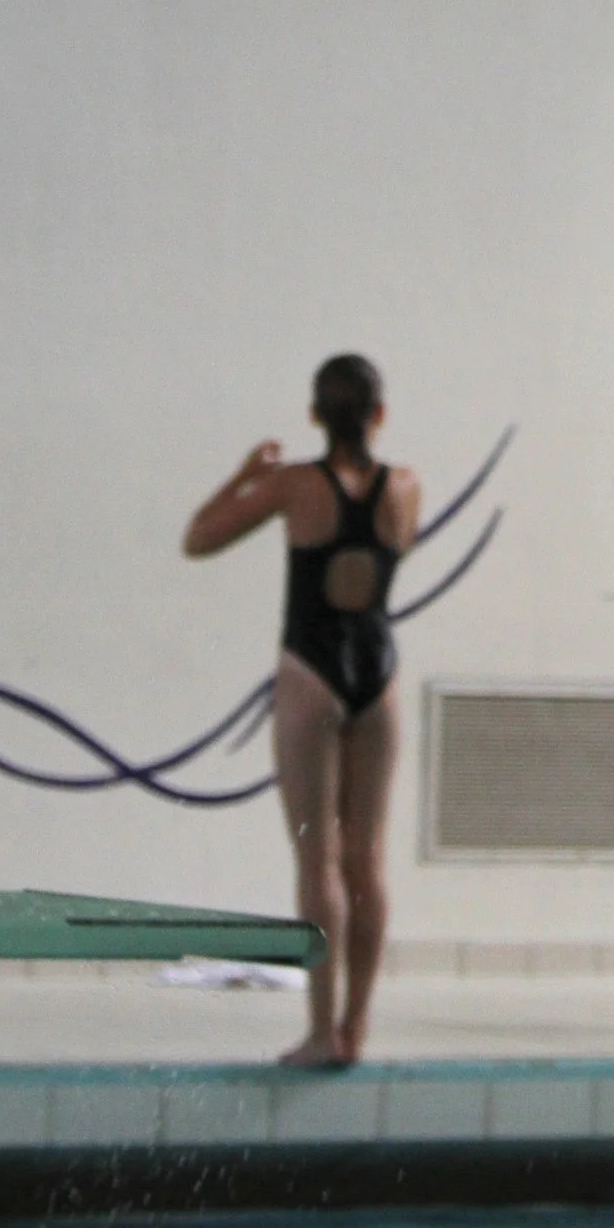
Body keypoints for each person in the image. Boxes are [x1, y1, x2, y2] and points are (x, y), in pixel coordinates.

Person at [183, 352, 422, 1069]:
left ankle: (321, 1032)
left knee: (316, 858)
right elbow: (393, 554)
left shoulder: (294, 487)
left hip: (311, 672)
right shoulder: (405, 487)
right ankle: (359, 1027)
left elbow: (198, 538)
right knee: (367, 859)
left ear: (315, 415)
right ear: (379, 415)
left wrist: (244, 475)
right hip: (377, 675)